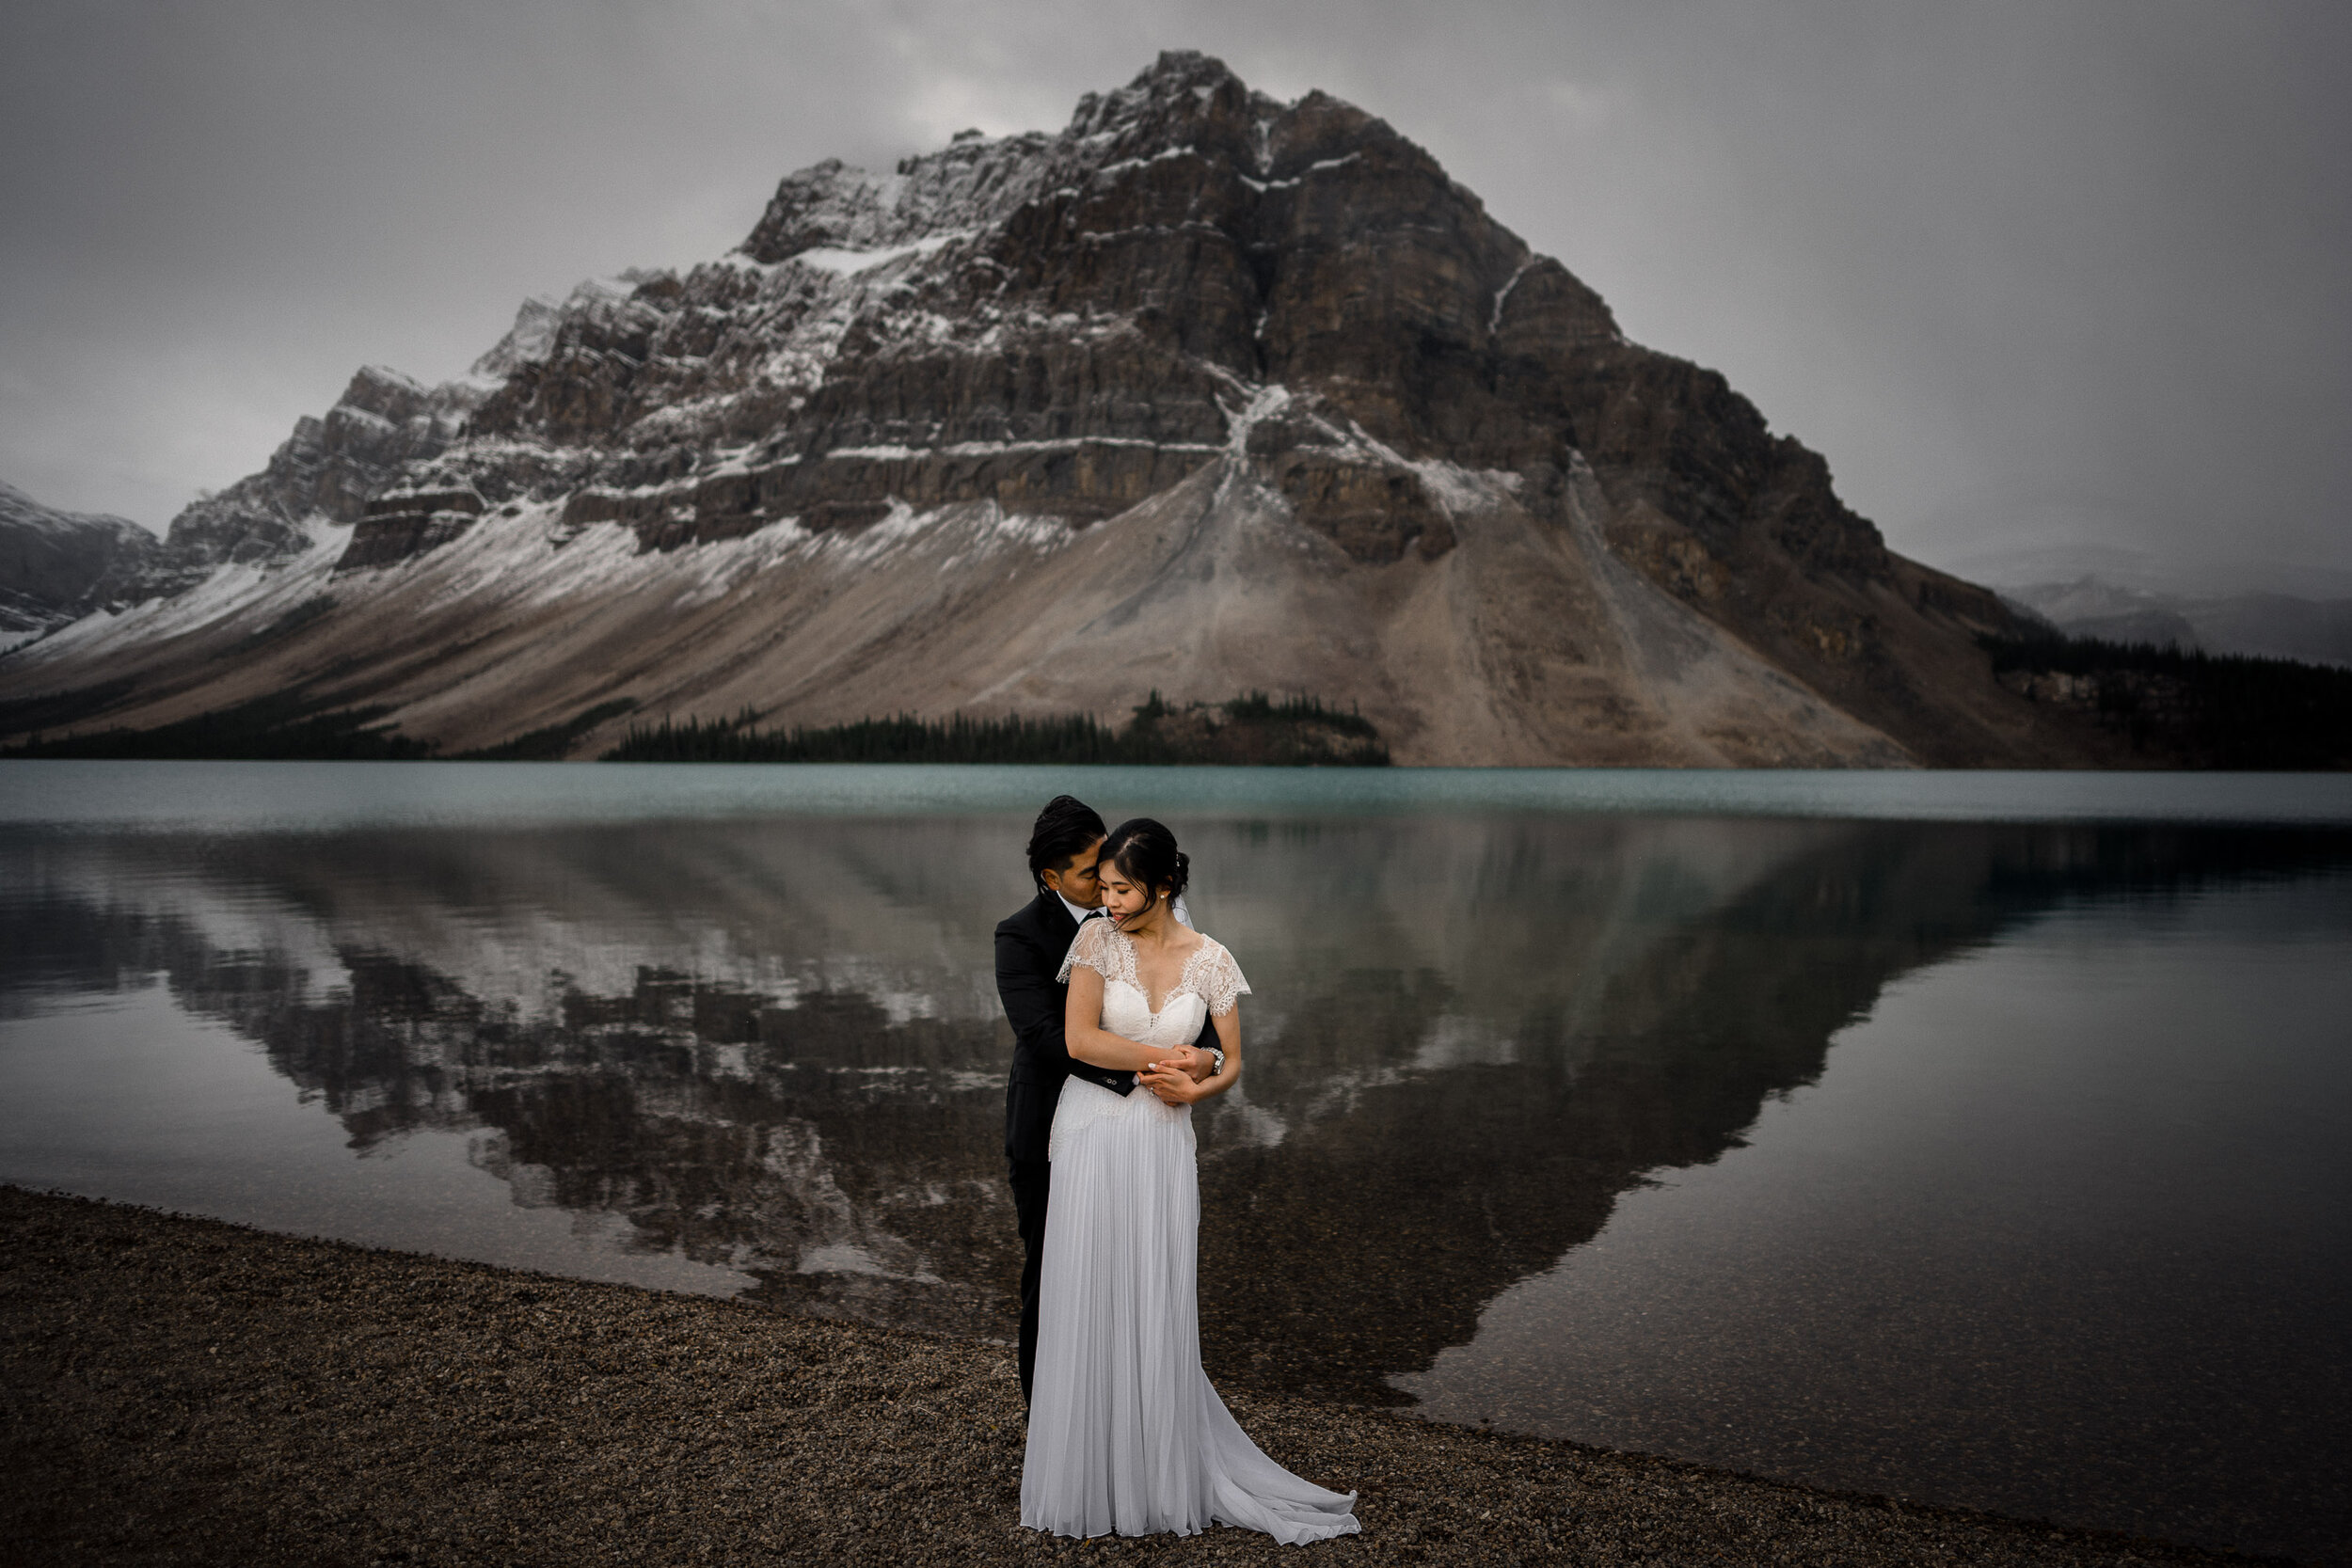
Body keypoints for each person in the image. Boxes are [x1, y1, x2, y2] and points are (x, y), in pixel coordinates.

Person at [1019, 817, 1359, 1544]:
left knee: (1154, 1287)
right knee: (1089, 1286)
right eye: (1101, 886)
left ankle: (1156, 1471)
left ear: (1164, 886)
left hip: (1161, 1135)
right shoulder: (1093, 944)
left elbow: (1233, 1058)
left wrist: (1201, 1083)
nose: (1105, 900)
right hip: (1092, 1131)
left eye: (1120, 887)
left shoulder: (1212, 959)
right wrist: (1178, 1053)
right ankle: (1086, 1474)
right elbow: (1079, 1039)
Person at [994, 796, 1217, 1407]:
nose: (1106, 881)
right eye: (1091, 871)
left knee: (1138, 1275)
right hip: (1053, 1132)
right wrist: (1153, 1065)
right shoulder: (1020, 935)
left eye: (1111, 865)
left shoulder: (1145, 912)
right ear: (1052, 877)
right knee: (1054, 1277)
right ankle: (1050, 1425)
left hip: (1146, 1133)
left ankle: (1127, 1414)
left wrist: (1204, 1058)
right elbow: (1048, 1039)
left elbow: (1201, 1014)